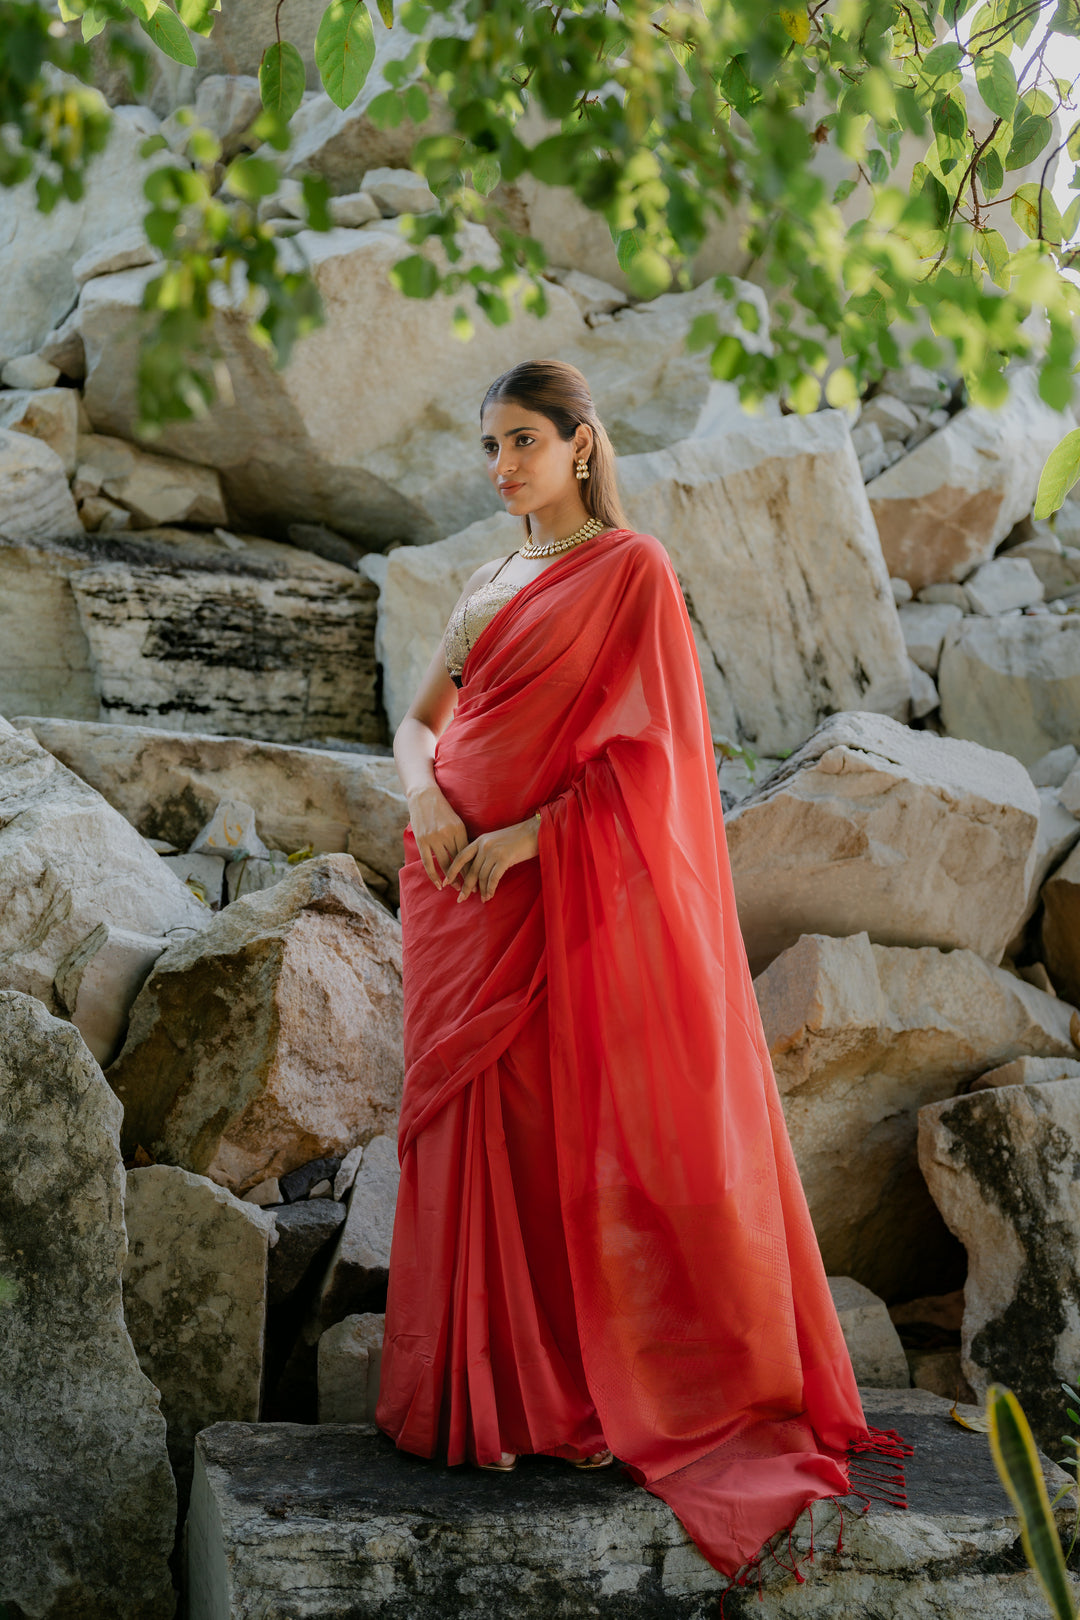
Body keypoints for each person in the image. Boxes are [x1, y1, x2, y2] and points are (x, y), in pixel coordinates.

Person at [375, 358, 909, 1582]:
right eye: (491, 446)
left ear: (582, 445)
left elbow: (659, 760)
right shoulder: (486, 580)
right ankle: (479, 1405)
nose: (504, 466)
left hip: (547, 893)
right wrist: (431, 805)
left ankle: (565, 1406)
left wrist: (528, 838)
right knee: (469, 1130)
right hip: (450, 894)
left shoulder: (630, 573)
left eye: (523, 442)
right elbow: (418, 723)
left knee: (547, 1123)